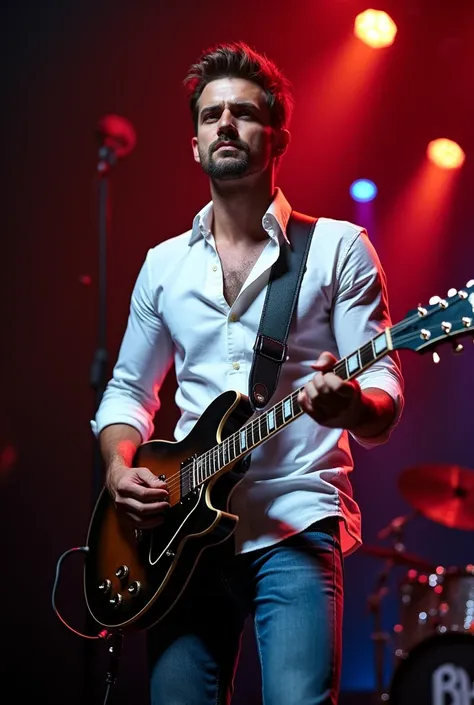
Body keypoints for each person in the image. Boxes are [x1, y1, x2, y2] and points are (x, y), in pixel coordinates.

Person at [92, 41, 404, 705]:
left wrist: (349, 405)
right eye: (211, 116)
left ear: (277, 136)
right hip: (179, 539)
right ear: (196, 145)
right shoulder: (164, 264)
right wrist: (121, 469)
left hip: (294, 518)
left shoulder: (338, 249)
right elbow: (126, 391)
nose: (225, 124)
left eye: (243, 113)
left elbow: (383, 394)